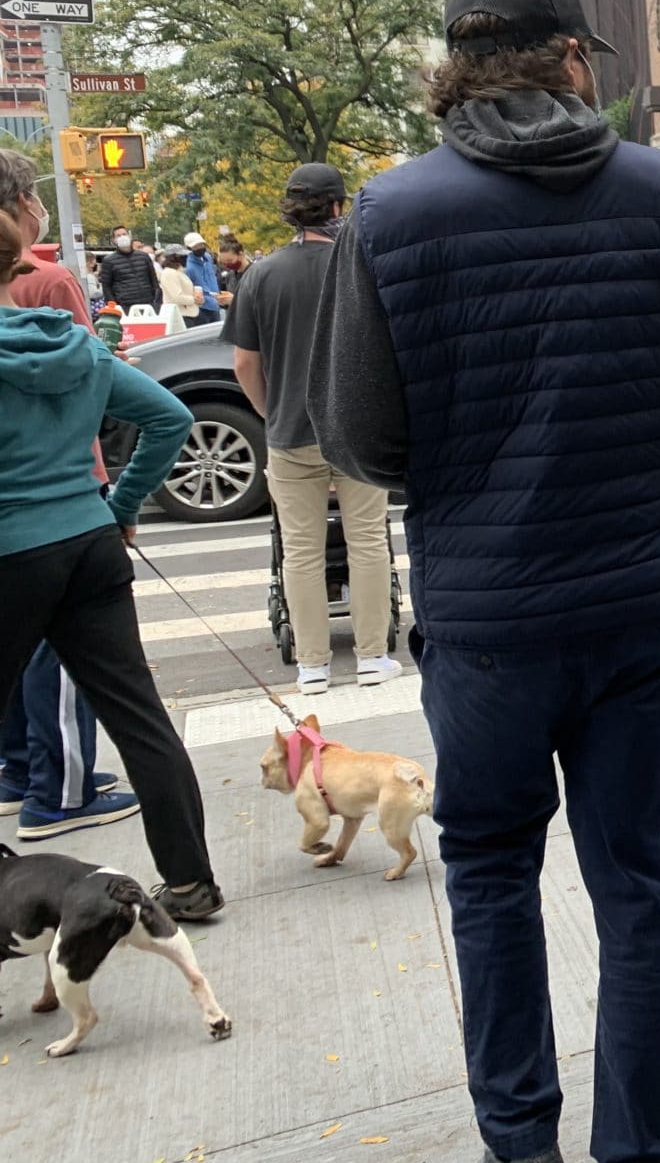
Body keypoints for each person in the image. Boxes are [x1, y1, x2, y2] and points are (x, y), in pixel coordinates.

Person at [308, 0, 660, 1163]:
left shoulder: (391, 213)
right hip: (641, 607)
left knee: (490, 882)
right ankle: (640, 1148)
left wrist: (471, 482)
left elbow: (360, 434)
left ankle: (519, 1142)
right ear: (572, 62)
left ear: (456, 74)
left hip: (487, 621)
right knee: (641, 896)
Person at [0, 209, 223, 920]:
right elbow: (170, 418)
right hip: (89, 539)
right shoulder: (77, 344)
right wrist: (122, 505)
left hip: (12, 551)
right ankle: (190, 883)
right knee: (139, 717)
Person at [0, 152, 134, 837]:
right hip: (64, 496)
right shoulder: (49, 280)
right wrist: (117, 496)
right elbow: (95, 376)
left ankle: (22, 771)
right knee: (65, 661)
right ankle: (63, 789)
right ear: (23, 204)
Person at [229, 165, 401, 696]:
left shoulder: (260, 275)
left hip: (290, 433)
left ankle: (312, 667)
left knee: (299, 551)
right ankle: (372, 655)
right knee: (368, 540)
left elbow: (243, 364)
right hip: (355, 429)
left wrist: (269, 412)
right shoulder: (361, 265)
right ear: (335, 207)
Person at [98, 226, 160, 311]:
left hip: (148, 304)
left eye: (124, 234)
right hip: (125, 306)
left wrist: (157, 300)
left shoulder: (143, 257)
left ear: (129, 236)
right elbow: (106, 287)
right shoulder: (108, 261)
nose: (122, 237)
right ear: (113, 240)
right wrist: (113, 305)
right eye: (118, 236)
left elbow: (154, 281)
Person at [180, 232, 222, 326]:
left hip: (215, 302)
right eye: (196, 246)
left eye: (201, 245)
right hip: (201, 307)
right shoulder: (189, 267)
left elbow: (212, 276)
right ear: (189, 248)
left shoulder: (207, 258)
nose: (199, 248)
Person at [157, 248, 199, 334]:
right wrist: (194, 299)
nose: (186, 258)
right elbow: (177, 297)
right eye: (183, 256)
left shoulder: (179, 272)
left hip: (189, 313)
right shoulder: (169, 273)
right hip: (181, 316)